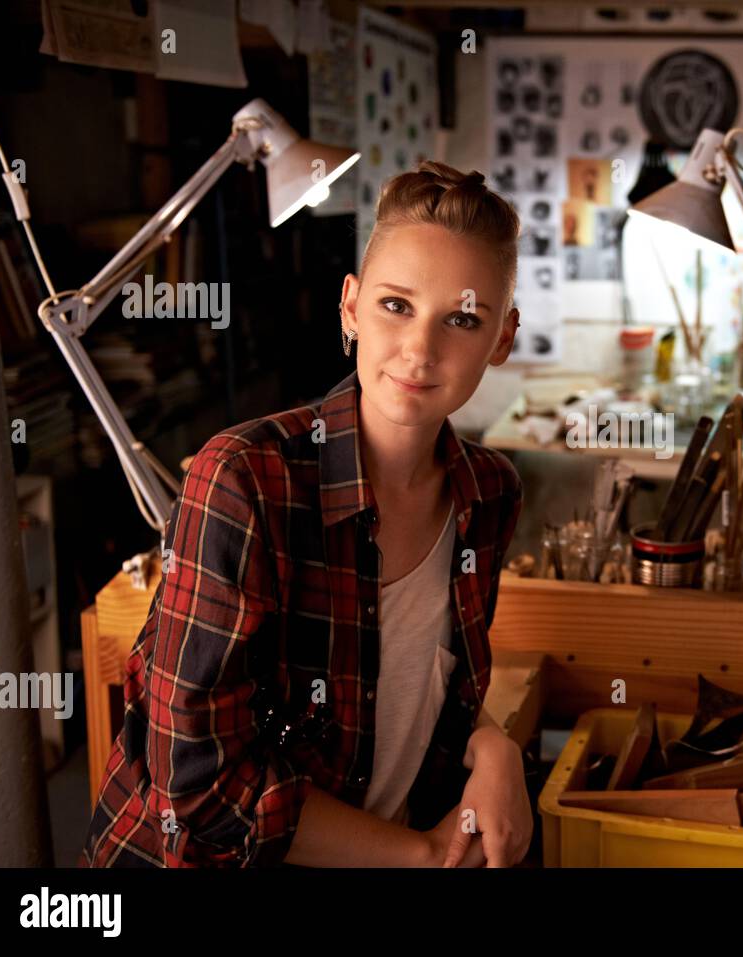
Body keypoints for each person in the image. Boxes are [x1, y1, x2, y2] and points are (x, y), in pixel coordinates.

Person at [82, 161, 530, 867]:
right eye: (395, 305)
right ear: (350, 307)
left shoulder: (490, 493)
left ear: (502, 337)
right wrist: (417, 854)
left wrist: (494, 744)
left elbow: (430, 689)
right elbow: (195, 787)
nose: (420, 348)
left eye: (463, 318)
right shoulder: (242, 480)